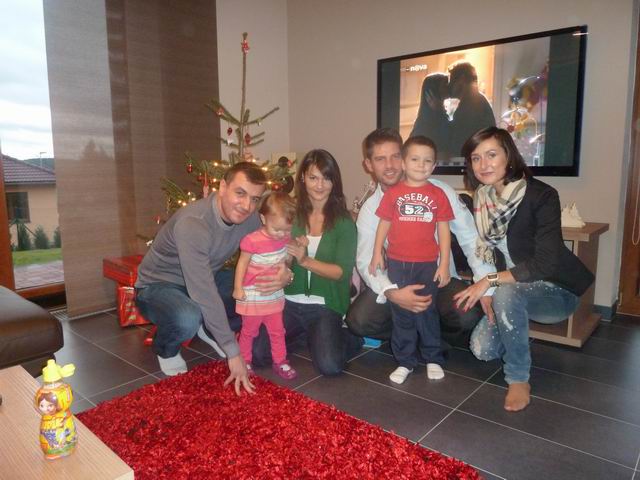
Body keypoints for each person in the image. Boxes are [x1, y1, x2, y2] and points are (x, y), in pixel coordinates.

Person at [453, 127, 594, 412]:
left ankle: (518, 379)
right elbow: (484, 256)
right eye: (476, 158)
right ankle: (515, 324)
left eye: (492, 155)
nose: (483, 164)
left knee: (507, 294)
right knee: (482, 350)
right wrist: (488, 291)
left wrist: (489, 283)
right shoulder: (481, 200)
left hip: (556, 290)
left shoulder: (541, 196)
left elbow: (545, 263)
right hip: (511, 288)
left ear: (509, 156)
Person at [135, 162, 292, 395]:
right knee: (187, 317)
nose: (246, 206)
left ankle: (209, 330)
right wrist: (233, 352)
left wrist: (287, 271)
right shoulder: (193, 223)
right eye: (240, 193)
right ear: (223, 187)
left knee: (251, 289)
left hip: (206, 277)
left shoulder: (252, 215)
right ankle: (166, 349)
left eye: (254, 199)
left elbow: (285, 231)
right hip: (158, 285)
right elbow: (204, 292)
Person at [346, 128, 495, 350]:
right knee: (359, 321)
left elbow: (470, 238)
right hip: (397, 279)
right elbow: (366, 259)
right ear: (368, 165)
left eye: (395, 156)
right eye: (380, 159)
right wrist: (391, 292)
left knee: (467, 315)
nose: (390, 165)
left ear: (404, 158)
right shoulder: (370, 209)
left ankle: (426, 335)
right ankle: (416, 335)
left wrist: (487, 285)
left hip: (438, 279)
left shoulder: (440, 191)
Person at [251, 149, 362, 376]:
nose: (320, 185)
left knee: (330, 367)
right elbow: (279, 255)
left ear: (334, 181)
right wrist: (285, 265)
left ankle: (349, 337)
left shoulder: (344, 222)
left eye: (326, 178)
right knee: (257, 354)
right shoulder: (291, 215)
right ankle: (308, 335)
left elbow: (341, 272)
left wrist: (305, 260)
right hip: (289, 303)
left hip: (325, 306)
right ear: (303, 178)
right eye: (313, 177)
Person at [369, 136, 454, 383]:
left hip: (427, 264)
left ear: (434, 165)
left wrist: (444, 264)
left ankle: (433, 357)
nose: (421, 165)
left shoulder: (438, 194)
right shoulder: (393, 194)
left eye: (427, 161)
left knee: (426, 311)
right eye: (415, 159)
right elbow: (383, 224)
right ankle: (405, 361)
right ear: (404, 163)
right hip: (397, 263)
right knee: (402, 314)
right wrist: (377, 252)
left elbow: (444, 231)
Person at [233, 192, 297, 380]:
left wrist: (296, 246)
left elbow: (287, 255)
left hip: (274, 296)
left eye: (286, 230)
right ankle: (245, 360)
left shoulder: (285, 236)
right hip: (253, 295)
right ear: (263, 218)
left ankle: (280, 361)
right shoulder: (252, 240)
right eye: (277, 229)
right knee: (249, 332)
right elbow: (242, 264)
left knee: (278, 331)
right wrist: (238, 288)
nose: (282, 234)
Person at [447, 61, 496, 157]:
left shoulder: (473, 104)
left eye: (451, 81)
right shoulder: (475, 101)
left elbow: (459, 141)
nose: (449, 86)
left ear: (462, 79)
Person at [410, 73, 451, 160]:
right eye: (445, 85)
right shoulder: (425, 124)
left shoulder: (440, 115)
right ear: (434, 91)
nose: (449, 87)